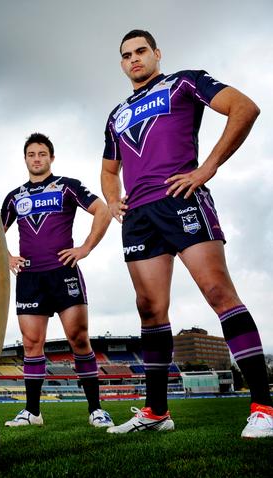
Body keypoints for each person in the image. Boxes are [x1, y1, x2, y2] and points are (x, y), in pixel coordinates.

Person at [101, 29, 271, 437]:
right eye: (126, 55)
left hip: (182, 200)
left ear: (157, 53)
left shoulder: (185, 81)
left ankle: (264, 406)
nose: (134, 59)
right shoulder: (116, 115)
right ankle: (156, 412)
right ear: (122, 63)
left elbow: (244, 108)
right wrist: (112, 200)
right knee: (149, 310)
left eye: (141, 51)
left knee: (218, 292)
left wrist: (207, 167)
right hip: (139, 217)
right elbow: (110, 170)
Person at [1, 133, 114, 428]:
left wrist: (85, 247)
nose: (36, 158)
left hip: (63, 273)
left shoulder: (67, 187)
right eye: (31, 154)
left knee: (79, 339)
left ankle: (96, 410)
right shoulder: (14, 197)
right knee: (31, 344)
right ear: (25, 159)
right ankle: (32, 413)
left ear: (51, 157)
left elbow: (101, 209)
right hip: (30, 277)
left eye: (42, 154)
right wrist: (7, 256)